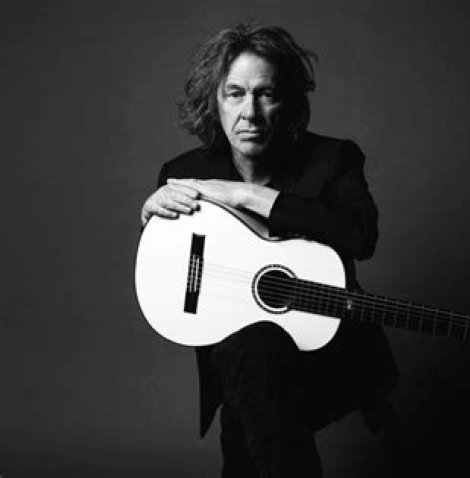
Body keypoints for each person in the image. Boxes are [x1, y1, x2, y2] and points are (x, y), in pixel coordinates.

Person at [139, 22, 397, 477]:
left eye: (267, 94)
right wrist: (152, 220)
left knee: (249, 408)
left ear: (289, 103)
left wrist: (247, 195)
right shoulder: (185, 171)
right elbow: (169, 272)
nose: (250, 113)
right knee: (254, 359)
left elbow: (361, 237)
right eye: (235, 94)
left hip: (327, 357)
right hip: (244, 364)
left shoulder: (334, 159)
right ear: (214, 102)